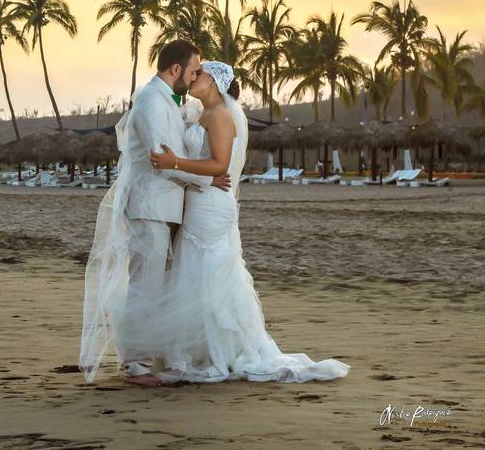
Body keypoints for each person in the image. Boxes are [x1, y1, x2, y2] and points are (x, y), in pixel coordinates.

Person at [140, 60, 351, 383]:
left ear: (214, 83)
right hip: (201, 201)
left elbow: (219, 165)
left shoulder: (221, 116)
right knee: (195, 272)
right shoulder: (203, 114)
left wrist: (174, 162)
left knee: (208, 273)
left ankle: (217, 351)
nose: (194, 78)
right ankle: (199, 350)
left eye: (201, 74)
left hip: (211, 204)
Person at [79, 40, 231, 387]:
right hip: (149, 206)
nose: (194, 78)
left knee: (155, 284)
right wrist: (208, 178)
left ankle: (149, 358)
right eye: (192, 70)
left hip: (165, 207)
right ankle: (136, 366)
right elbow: (162, 161)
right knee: (144, 285)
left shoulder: (169, 100)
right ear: (175, 69)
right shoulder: (149, 101)